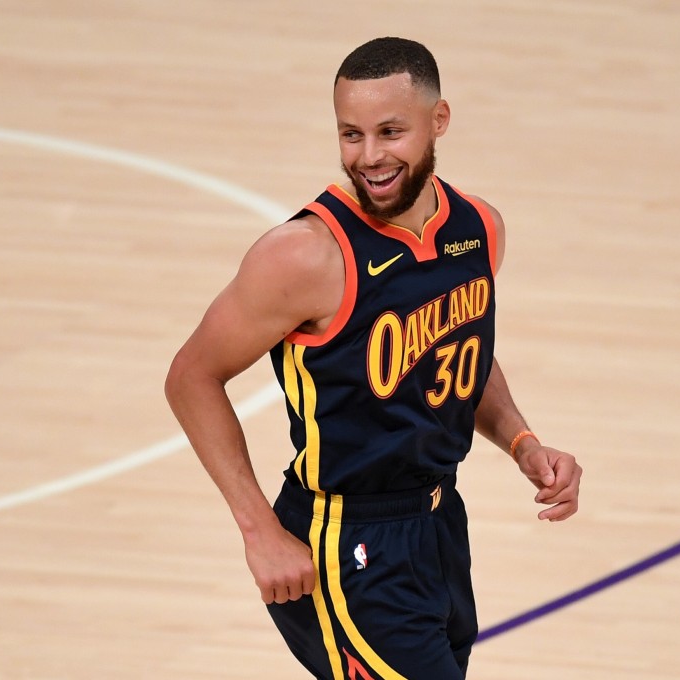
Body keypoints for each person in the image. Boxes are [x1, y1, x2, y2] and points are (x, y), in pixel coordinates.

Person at [165, 36, 582, 679]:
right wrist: (259, 531)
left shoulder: (478, 229)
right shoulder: (304, 255)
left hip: (440, 525)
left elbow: (462, 353)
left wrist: (523, 442)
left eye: (390, 132)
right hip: (342, 543)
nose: (370, 157)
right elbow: (191, 377)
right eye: (351, 134)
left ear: (438, 121)